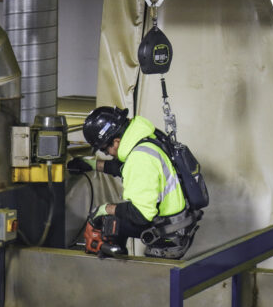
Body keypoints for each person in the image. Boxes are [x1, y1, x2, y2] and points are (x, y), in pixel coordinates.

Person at [81, 105, 200, 258]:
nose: (107, 154)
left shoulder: (139, 159)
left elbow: (140, 215)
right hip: (178, 224)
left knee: (108, 221)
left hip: (169, 238)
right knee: (114, 218)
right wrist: (91, 165)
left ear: (116, 142)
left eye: (105, 150)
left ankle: (112, 269)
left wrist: (103, 209)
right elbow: (123, 167)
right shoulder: (145, 139)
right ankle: (116, 257)